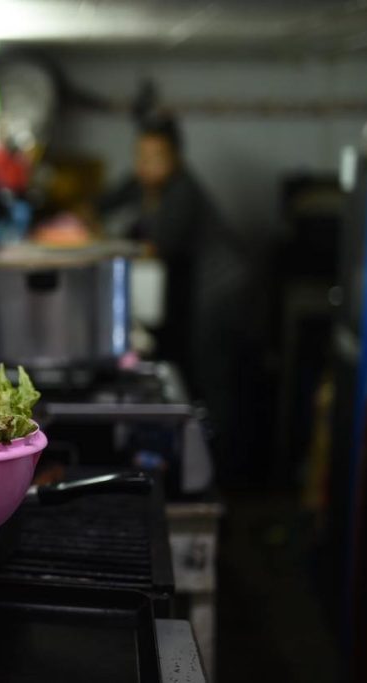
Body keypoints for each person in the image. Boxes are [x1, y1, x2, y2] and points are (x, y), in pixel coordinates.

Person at [99, 114, 253, 482]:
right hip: (199, 289)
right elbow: (104, 202)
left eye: (156, 157)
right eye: (141, 156)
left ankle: (219, 474)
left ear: (175, 159)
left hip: (222, 290)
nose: (146, 165)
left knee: (212, 378)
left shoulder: (182, 190)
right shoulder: (146, 185)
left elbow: (155, 248)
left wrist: (101, 249)